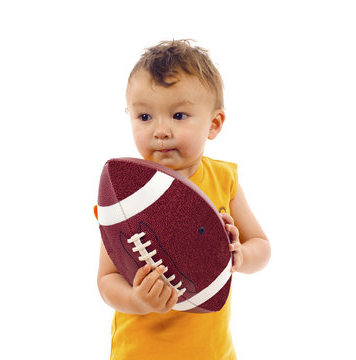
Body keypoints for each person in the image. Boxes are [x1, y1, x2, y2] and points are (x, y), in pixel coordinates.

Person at [97, 39, 271, 359]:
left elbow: (261, 246)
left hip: (213, 352)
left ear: (214, 124)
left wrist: (241, 255)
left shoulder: (224, 179)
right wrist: (137, 300)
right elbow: (106, 279)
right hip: (140, 352)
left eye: (179, 115)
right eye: (145, 117)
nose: (161, 130)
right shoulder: (126, 192)